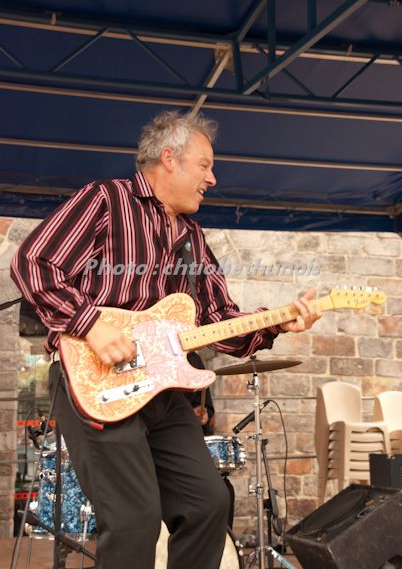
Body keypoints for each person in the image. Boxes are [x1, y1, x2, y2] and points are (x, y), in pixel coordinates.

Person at [10, 111, 321, 569]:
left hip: (163, 391)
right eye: (205, 165)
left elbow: (221, 322)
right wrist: (90, 325)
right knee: (135, 520)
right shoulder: (106, 201)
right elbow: (34, 263)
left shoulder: (193, 238)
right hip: (98, 385)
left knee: (208, 503)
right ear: (169, 159)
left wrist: (279, 321)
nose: (212, 179)